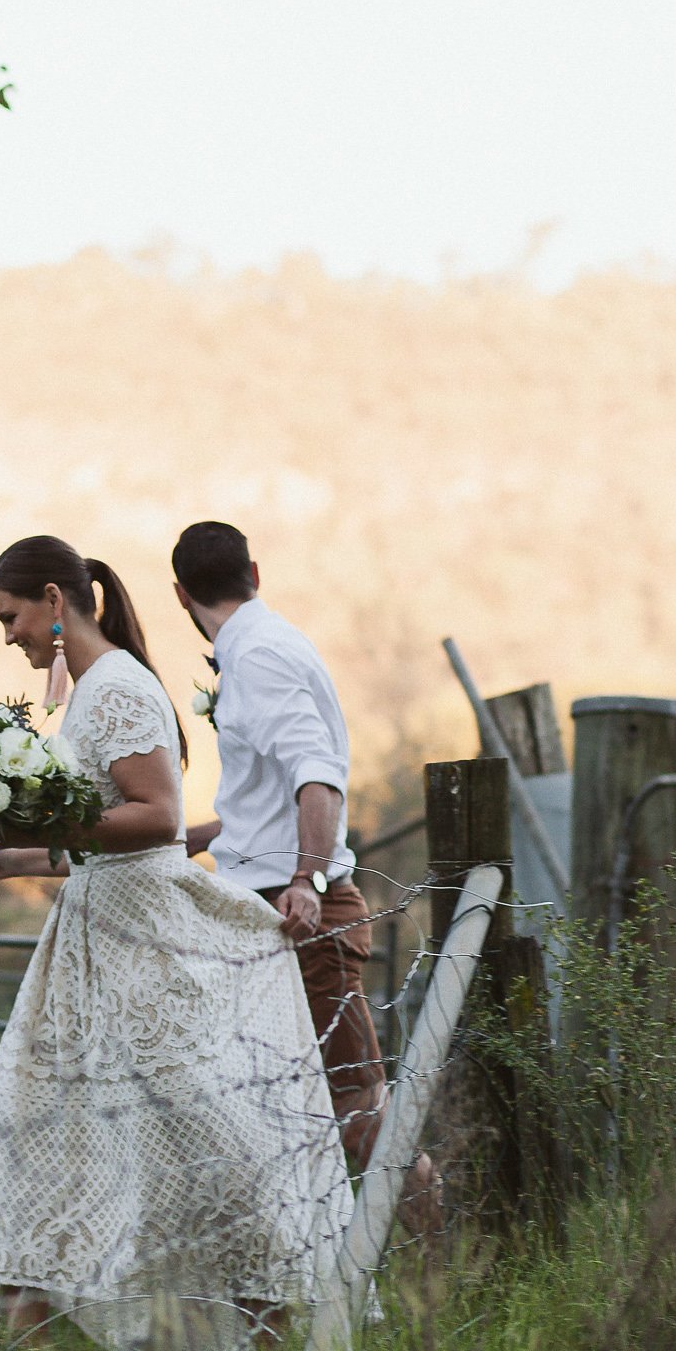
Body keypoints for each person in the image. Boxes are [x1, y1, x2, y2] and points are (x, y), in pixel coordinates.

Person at [0, 534, 354, 1351]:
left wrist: (33, 821)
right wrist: (2, 855)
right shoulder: (88, 692)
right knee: (30, 1116)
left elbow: (155, 820)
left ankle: (264, 1311)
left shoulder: (119, 688)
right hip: (96, 934)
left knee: (207, 1131)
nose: (8, 635)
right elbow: (99, 834)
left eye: (12, 615)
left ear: (55, 602)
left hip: (147, 937)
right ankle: (28, 1322)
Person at [171, 520, 442, 1236]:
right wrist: (175, 842)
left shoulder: (257, 656)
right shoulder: (266, 645)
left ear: (178, 594)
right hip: (265, 908)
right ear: (253, 572)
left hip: (299, 919)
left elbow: (315, 778)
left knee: (355, 1105)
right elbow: (257, 811)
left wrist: (306, 882)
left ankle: (446, 1264)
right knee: (276, 1108)